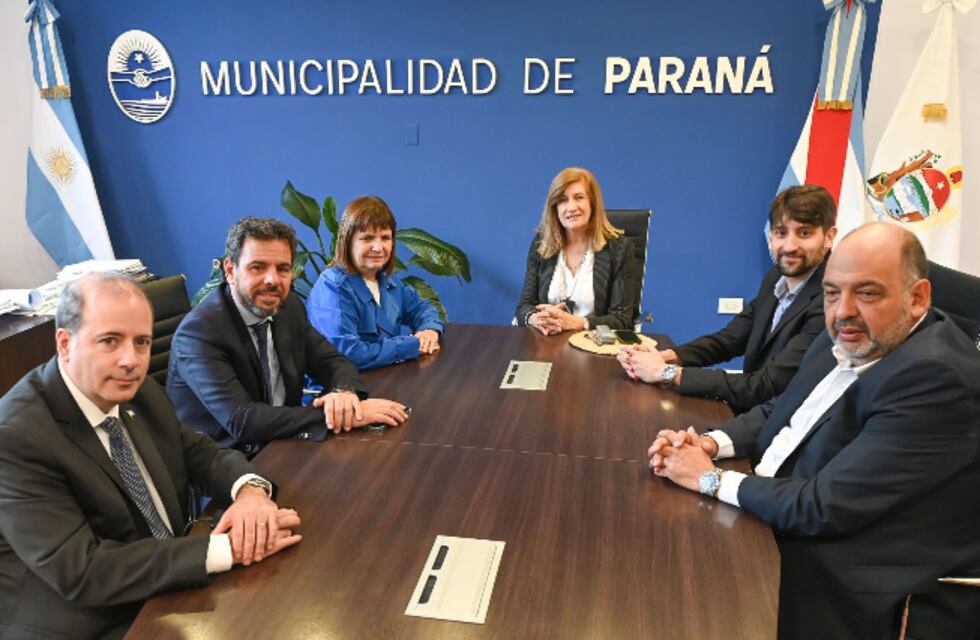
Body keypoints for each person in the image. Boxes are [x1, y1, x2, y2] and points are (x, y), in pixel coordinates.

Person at [648, 223, 980, 640]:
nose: (842, 310)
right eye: (832, 292)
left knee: (678, 603)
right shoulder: (850, 333)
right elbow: (783, 409)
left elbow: (823, 507)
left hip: (855, 575)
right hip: (785, 509)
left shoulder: (935, 378)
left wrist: (708, 478)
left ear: (918, 299)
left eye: (868, 292)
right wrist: (712, 443)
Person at [0, 274, 302, 639]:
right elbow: (82, 572)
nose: (131, 360)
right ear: (65, 344)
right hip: (89, 618)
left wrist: (250, 492)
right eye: (110, 341)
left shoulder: (137, 390)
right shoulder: (16, 435)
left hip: (165, 579)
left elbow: (198, 451)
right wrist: (226, 549)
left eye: (141, 342)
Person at [167, 217, 409, 456]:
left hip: (286, 444)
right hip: (228, 466)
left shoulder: (288, 306)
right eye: (258, 267)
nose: (272, 280)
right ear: (230, 270)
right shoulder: (199, 333)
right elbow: (242, 420)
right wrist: (344, 415)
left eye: (282, 268)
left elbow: (332, 361)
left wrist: (343, 393)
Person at [619, 185, 836, 413]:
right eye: (781, 232)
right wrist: (664, 357)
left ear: (829, 237)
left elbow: (768, 386)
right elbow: (729, 340)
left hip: (782, 427)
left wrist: (666, 373)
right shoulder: (775, 278)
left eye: (804, 233)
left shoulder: (831, 301)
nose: (790, 246)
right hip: (752, 414)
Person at [307, 196, 445, 370]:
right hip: (339, 391)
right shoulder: (333, 287)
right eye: (367, 238)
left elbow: (422, 308)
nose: (379, 248)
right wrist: (411, 345)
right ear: (347, 241)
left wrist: (429, 331)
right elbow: (348, 354)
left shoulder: (386, 280)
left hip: (383, 378)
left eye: (385, 238)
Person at [515, 167, 639, 334]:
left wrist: (578, 322)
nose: (571, 207)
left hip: (593, 346)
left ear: (593, 203)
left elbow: (622, 320)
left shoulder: (619, 249)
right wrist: (535, 318)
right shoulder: (541, 245)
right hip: (546, 341)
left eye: (579, 197)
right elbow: (524, 306)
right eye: (563, 200)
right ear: (555, 207)